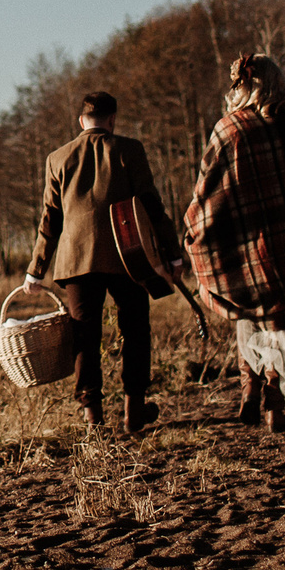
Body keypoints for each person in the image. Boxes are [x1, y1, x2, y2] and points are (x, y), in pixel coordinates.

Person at [185, 54, 285, 431]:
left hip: (245, 242)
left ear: (242, 87)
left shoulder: (230, 129)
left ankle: (250, 392)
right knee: (280, 319)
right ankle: (271, 395)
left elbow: (209, 191)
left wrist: (193, 228)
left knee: (248, 312)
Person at [18, 90, 176, 435]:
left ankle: (93, 418)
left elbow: (50, 218)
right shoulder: (129, 150)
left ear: (81, 122)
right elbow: (151, 203)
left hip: (76, 261)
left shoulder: (57, 158)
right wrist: (172, 252)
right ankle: (134, 413)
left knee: (84, 338)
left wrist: (35, 270)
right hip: (128, 257)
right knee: (135, 332)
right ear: (113, 119)